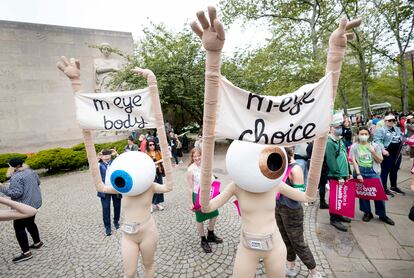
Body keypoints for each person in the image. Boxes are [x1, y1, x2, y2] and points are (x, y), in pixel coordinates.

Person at [276, 147, 321, 278]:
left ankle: (314, 271)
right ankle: (290, 266)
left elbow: (300, 195)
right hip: (279, 206)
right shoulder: (281, 166)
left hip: (292, 211)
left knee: (298, 243)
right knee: (286, 239)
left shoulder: (295, 169)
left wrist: (284, 188)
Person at [0, 157, 43, 263]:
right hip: (35, 203)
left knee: (18, 227)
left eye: (9, 166)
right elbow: (38, 182)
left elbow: (16, 193)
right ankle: (37, 243)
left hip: (23, 206)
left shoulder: (15, 177)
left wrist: (1, 187)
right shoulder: (31, 171)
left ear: (13, 167)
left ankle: (26, 253)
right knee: (30, 223)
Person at [350, 127, 394, 225]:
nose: (364, 136)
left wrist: (372, 151)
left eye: (366, 134)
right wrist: (358, 174)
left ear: (369, 135)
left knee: (378, 194)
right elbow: (354, 161)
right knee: (363, 194)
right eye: (361, 134)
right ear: (358, 135)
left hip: (373, 172)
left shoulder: (375, 145)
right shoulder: (354, 146)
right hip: (361, 172)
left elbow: (380, 160)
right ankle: (367, 213)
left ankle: (382, 214)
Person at [186, 148, 222, 253]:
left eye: (198, 155)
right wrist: (190, 202)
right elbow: (189, 187)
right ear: (192, 157)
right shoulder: (190, 169)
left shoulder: (206, 165)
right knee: (200, 219)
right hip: (197, 196)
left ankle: (210, 234)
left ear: (202, 156)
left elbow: (212, 177)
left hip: (209, 194)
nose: (197, 158)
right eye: (194, 156)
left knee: (214, 214)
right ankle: (203, 240)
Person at [325, 116, 353, 232]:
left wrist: (349, 172)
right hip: (336, 175)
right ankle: (334, 219)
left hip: (343, 174)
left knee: (341, 197)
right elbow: (331, 161)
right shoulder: (329, 142)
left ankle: (339, 214)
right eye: (336, 127)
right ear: (331, 128)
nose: (339, 129)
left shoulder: (340, 140)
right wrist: (339, 176)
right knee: (335, 197)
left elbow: (345, 157)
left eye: (340, 127)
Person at [373, 114, 405, 196]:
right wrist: (383, 150)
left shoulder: (397, 129)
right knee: (385, 171)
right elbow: (376, 141)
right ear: (385, 121)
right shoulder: (381, 130)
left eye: (393, 120)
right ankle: (383, 188)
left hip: (397, 153)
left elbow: (401, 138)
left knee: (395, 170)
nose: (391, 122)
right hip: (387, 153)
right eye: (389, 120)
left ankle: (393, 187)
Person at [98, 149, 122, 236]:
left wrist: (116, 154)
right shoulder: (99, 165)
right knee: (106, 208)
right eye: (104, 154)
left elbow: (123, 163)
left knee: (117, 205)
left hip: (115, 188)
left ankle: (116, 221)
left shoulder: (115, 162)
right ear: (101, 156)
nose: (106, 155)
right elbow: (92, 169)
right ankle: (107, 227)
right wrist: (97, 158)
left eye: (108, 154)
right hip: (104, 189)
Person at [146, 139, 165, 212]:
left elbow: (163, 159)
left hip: (158, 171)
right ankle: (151, 204)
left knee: (160, 186)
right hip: (151, 173)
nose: (152, 146)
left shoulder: (158, 152)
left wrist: (156, 162)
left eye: (153, 144)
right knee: (152, 188)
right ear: (148, 146)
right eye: (150, 145)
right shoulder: (146, 153)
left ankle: (158, 203)